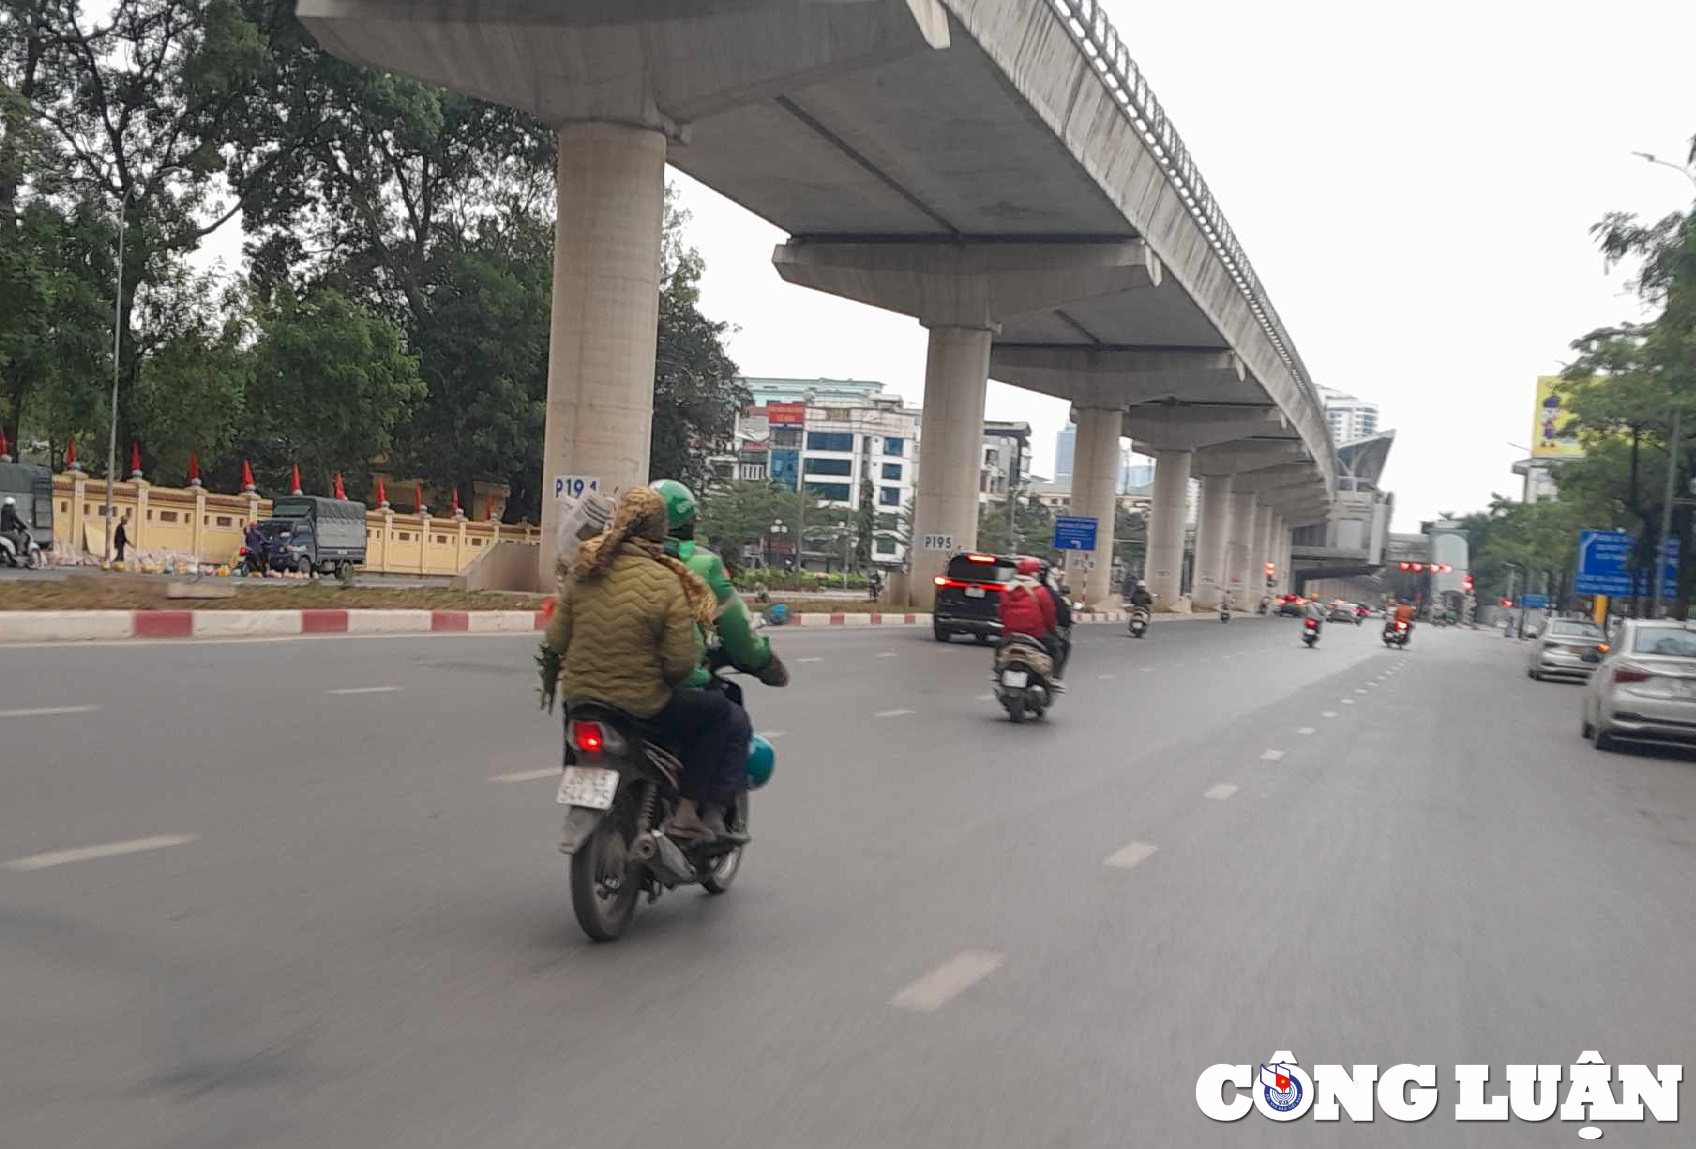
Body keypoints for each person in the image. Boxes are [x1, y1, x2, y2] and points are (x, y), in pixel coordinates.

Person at [543, 487, 750, 842]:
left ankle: (581, 788)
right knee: (721, 714)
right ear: (660, 529)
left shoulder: (585, 569)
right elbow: (681, 663)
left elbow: (556, 642)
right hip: (640, 704)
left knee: (576, 713)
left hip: (581, 699)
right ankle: (686, 815)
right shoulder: (668, 581)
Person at [1000, 556, 1067, 690]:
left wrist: (1007, 627)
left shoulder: (1007, 589)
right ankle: (1054, 678)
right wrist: (1052, 630)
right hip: (1035, 632)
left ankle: (998, 673)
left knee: (999, 647)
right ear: (1035, 573)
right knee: (1058, 648)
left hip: (1011, 633)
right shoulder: (1040, 591)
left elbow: (1002, 610)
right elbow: (1049, 614)